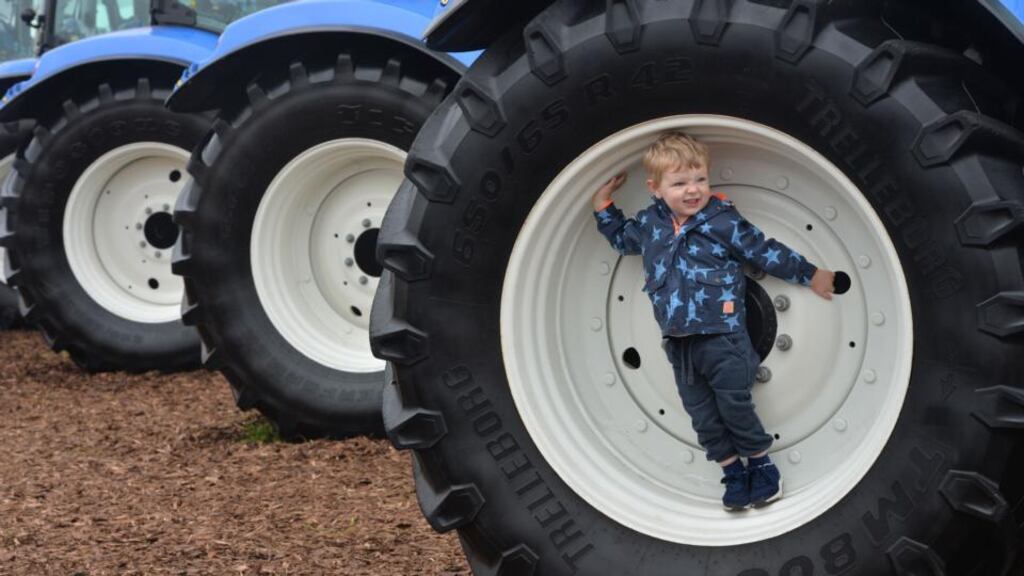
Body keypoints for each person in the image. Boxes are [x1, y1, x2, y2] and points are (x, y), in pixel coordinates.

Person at [592, 131, 836, 510]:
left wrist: (809, 273)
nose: (693, 190)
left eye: (700, 179)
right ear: (655, 188)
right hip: (679, 342)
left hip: (724, 337)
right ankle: (732, 472)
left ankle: (761, 466)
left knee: (735, 405)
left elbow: (762, 250)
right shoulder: (650, 225)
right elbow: (623, 240)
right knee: (702, 415)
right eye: (680, 183)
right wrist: (602, 205)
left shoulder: (721, 220)